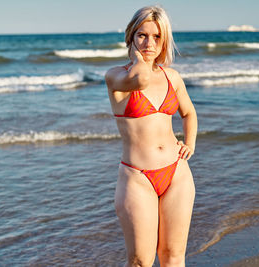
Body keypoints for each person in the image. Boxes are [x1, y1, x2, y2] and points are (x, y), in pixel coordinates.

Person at [105, 5, 197, 267]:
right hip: (137, 178)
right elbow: (141, 80)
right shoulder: (116, 76)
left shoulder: (172, 78)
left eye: (157, 37)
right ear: (131, 37)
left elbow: (189, 113)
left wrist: (189, 144)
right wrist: (138, 60)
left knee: (173, 257)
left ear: (164, 40)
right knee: (140, 261)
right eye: (142, 35)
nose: (149, 43)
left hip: (177, 174)